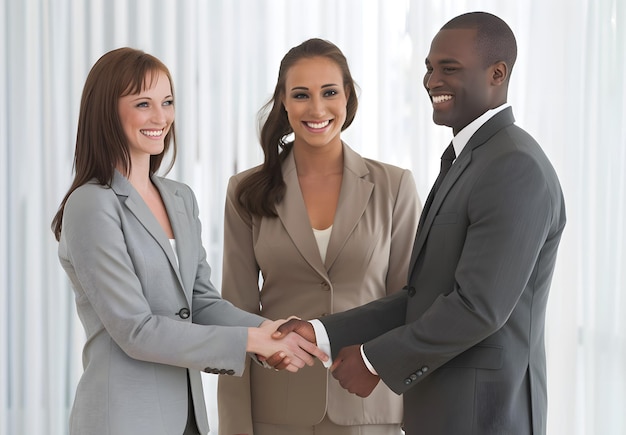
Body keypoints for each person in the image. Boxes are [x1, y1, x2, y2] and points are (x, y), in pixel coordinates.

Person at [275, 12, 566, 435]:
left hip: (485, 417)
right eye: (429, 68)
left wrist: (374, 360)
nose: (432, 80)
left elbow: (478, 307)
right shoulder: (469, 159)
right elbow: (423, 295)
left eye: (449, 68)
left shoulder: (514, 166)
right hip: (444, 412)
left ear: (497, 74)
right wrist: (321, 331)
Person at [50, 47, 326, 435]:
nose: (160, 118)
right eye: (143, 103)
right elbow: (136, 330)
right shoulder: (92, 204)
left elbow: (199, 302)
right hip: (123, 420)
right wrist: (252, 341)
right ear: (107, 112)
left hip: (189, 420)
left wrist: (271, 332)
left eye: (167, 102)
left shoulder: (180, 197)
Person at [217, 38, 421, 435]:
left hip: (370, 410)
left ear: (348, 96)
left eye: (329, 92)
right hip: (276, 410)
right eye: (301, 95)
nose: (316, 109)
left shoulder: (394, 186)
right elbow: (234, 313)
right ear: (283, 102)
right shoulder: (245, 191)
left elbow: (410, 303)